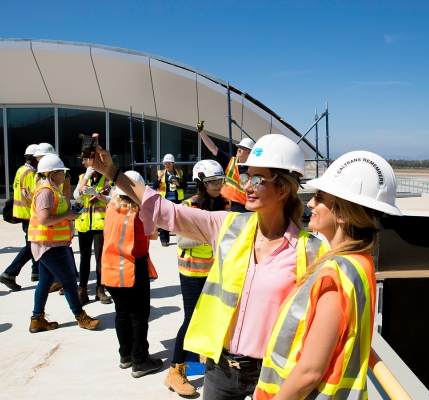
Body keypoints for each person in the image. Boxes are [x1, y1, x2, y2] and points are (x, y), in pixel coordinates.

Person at [88, 133, 330, 399]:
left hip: (275, 374)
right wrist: (111, 171)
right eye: (246, 177)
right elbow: (166, 211)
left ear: (283, 188)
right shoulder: (228, 225)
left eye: (257, 180)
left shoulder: (311, 251)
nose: (246, 186)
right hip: (221, 370)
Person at [254, 151, 403, 399]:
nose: (310, 203)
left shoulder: (336, 271)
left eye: (320, 197)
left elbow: (310, 372)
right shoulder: (360, 261)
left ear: (344, 213)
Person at [164, 159, 229, 396]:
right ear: (200, 181)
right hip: (191, 271)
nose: (217, 185)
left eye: (220, 180)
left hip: (215, 271)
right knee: (191, 319)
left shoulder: (226, 203)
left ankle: (210, 363)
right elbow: (182, 239)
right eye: (212, 182)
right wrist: (213, 232)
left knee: (213, 318)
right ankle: (174, 371)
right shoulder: (188, 206)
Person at [27, 154, 100, 333]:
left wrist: (70, 213)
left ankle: (37, 319)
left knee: (45, 282)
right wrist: (68, 216)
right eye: (62, 173)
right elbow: (44, 219)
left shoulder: (52, 189)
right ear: (53, 174)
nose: (65, 176)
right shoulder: (46, 191)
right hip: (49, 245)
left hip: (51, 244)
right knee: (68, 281)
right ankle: (80, 316)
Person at [101, 170, 163, 378]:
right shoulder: (141, 213)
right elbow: (153, 236)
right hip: (132, 268)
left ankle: (125, 355)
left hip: (109, 268)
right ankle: (140, 360)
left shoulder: (111, 207)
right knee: (138, 316)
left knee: (121, 313)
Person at [72, 149, 112, 304]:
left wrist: (95, 192)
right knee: (84, 258)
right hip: (84, 225)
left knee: (100, 259)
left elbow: (111, 200)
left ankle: (100, 289)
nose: (83, 162)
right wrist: (86, 177)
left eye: (86, 160)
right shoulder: (83, 177)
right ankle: (82, 289)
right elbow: (76, 196)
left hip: (100, 225)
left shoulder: (107, 179)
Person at [0, 144, 40, 291]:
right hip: (30, 215)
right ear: (35, 158)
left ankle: (36, 272)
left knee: (32, 244)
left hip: (23, 214)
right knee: (32, 246)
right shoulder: (30, 173)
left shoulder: (21, 170)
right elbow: (35, 195)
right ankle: (9, 273)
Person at [34, 142, 72, 293]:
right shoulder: (44, 187)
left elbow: (66, 198)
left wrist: (68, 216)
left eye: (41, 157)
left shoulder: (58, 179)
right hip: (48, 238)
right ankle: (79, 313)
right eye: (38, 158)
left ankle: (37, 315)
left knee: (46, 279)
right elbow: (43, 218)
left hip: (55, 235)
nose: (40, 161)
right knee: (66, 279)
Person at [197, 121, 255, 212]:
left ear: (250, 152)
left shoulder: (255, 167)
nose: (239, 149)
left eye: (242, 148)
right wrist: (201, 133)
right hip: (227, 204)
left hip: (246, 206)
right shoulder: (230, 161)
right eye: (239, 147)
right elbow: (212, 148)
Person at [152, 153, 186, 247]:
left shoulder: (179, 173)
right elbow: (155, 186)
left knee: (178, 220)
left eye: (169, 163)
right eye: (165, 163)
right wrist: (159, 178)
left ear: (173, 163)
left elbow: (185, 185)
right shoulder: (160, 173)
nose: (167, 165)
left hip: (177, 200)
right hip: (164, 200)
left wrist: (178, 183)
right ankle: (164, 240)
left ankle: (181, 238)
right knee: (164, 220)